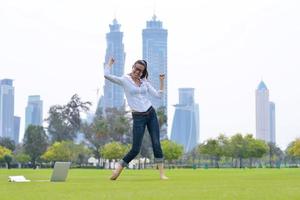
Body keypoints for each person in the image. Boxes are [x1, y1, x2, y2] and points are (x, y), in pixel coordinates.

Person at [104, 57, 168, 180]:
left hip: (150, 113)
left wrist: (161, 81)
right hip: (138, 117)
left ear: (143, 72)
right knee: (135, 149)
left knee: (156, 143)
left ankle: (162, 174)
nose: (138, 72)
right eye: (137, 69)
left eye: (141, 71)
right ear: (133, 67)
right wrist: (110, 63)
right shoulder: (124, 80)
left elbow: (158, 96)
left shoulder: (145, 83)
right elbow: (106, 75)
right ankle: (117, 170)